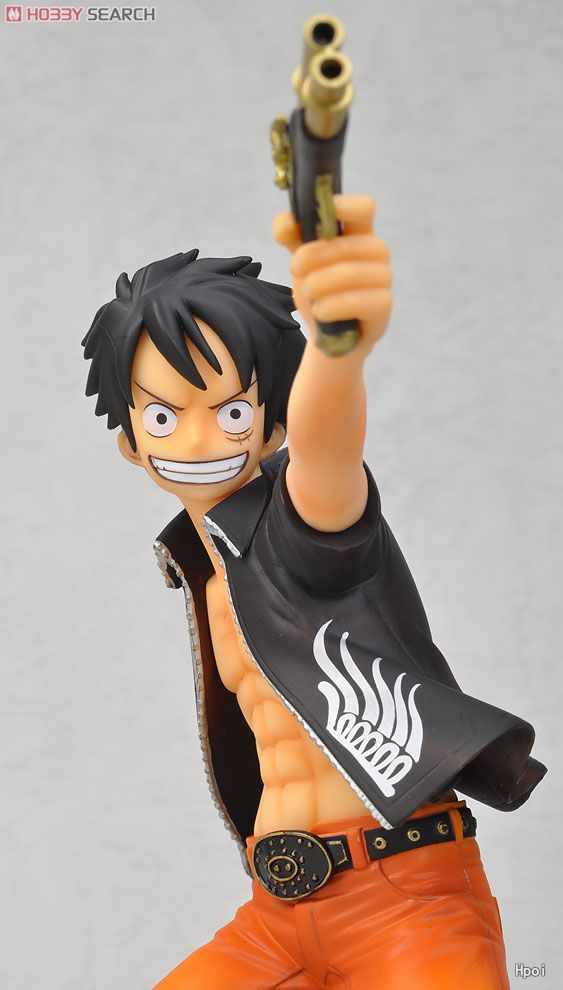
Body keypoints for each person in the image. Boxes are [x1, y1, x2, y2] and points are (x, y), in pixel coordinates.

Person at [83, 195, 545, 989]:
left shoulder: (302, 524)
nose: (196, 439)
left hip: (406, 900)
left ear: (273, 424)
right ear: (129, 441)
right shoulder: (203, 562)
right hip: (277, 915)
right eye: (161, 417)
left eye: (231, 410)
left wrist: (337, 349)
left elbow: (328, 449)